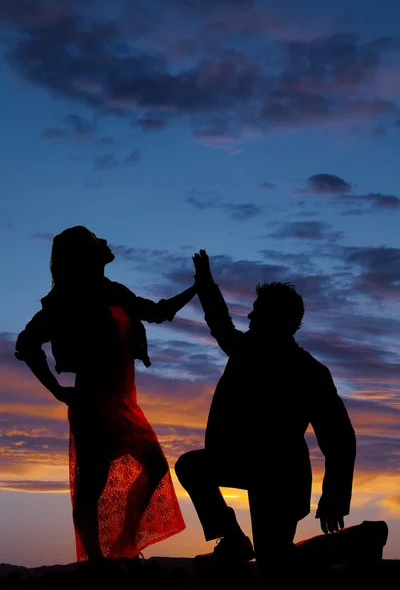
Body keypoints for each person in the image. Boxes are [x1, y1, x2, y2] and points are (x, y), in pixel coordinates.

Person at [15, 226, 197, 562]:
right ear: (85, 257)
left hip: (124, 403)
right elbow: (26, 344)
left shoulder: (114, 291)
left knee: (154, 467)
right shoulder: (67, 300)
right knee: (92, 486)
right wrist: (57, 391)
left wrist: (197, 287)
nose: (106, 245)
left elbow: (158, 312)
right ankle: (98, 561)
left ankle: (121, 546)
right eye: (95, 244)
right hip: (94, 402)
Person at [175, 249, 357, 579]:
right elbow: (219, 320)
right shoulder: (247, 349)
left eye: (257, 312)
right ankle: (232, 539)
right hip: (249, 464)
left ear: (277, 319)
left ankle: (357, 542)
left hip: (283, 479)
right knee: (192, 466)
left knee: (275, 565)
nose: (249, 317)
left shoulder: (308, 371)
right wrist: (205, 280)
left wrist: (334, 497)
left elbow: (338, 438)